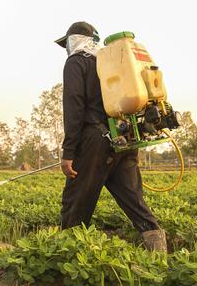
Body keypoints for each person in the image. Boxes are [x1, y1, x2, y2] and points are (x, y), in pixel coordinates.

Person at [54, 21, 167, 252]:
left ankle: (66, 257)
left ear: (74, 40)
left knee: (75, 202)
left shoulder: (76, 62)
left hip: (94, 144)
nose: (67, 48)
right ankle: (159, 254)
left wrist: (69, 152)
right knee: (134, 201)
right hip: (124, 140)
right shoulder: (112, 64)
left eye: (67, 43)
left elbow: (74, 108)